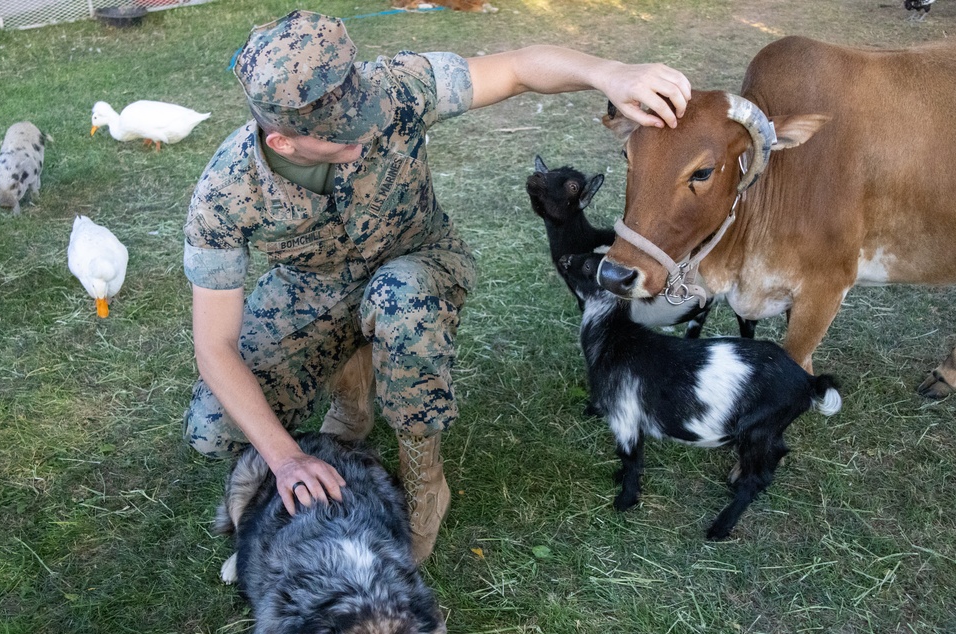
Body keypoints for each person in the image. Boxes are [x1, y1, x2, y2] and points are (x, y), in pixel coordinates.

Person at [182, 9, 691, 562]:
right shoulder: (224, 193)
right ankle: (354, 396)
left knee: (398, 300)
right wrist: (284, 458)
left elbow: (518, 68)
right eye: (342, 135)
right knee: (213, 429)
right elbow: (214, 346)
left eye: (363, 114)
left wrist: (610, 73)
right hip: (314, 286)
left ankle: (424, 482)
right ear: (282, 142)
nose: (364, 132)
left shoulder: (393, 88)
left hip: (419, 260)